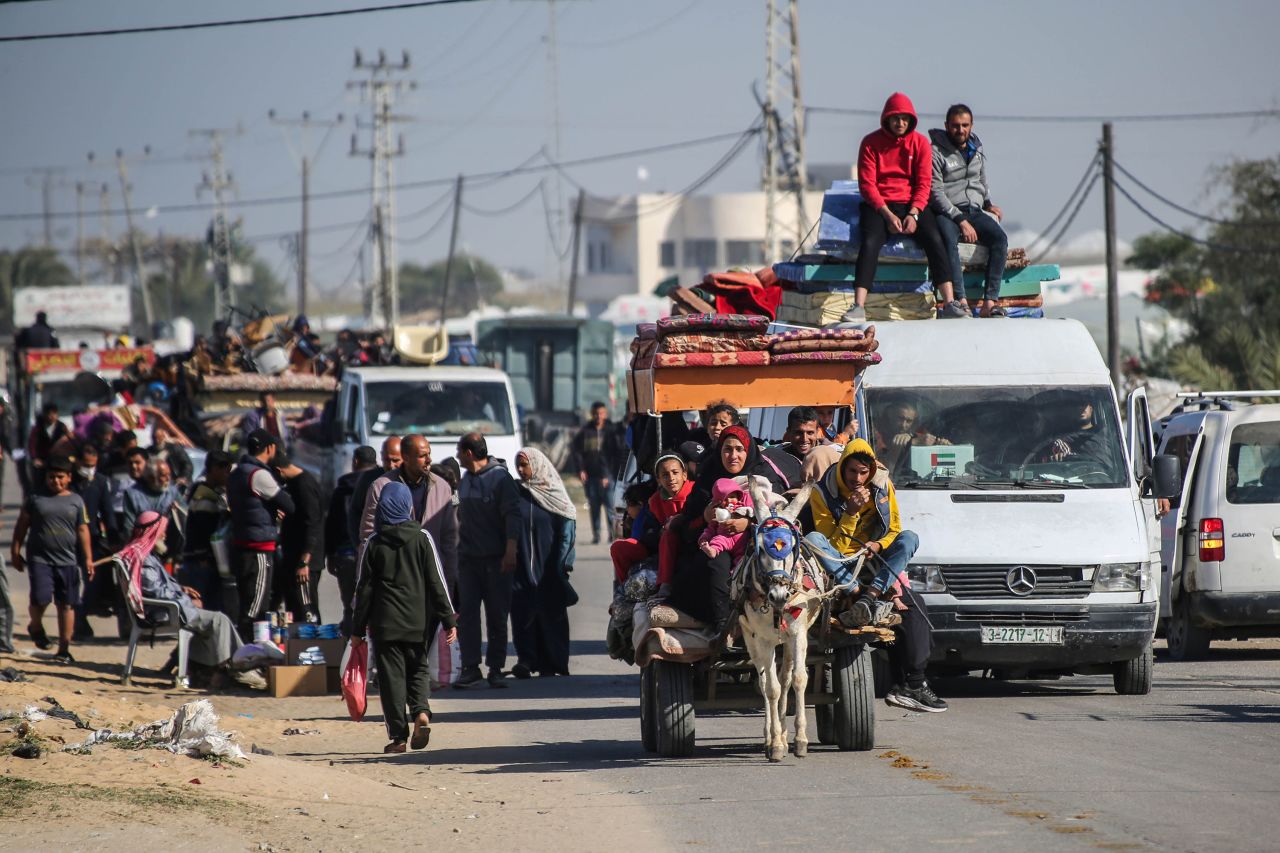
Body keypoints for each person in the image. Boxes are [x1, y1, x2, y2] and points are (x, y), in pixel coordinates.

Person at [803, 439, 945, 713]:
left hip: (876, 567)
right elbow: (832, 548)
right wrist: (851, 514)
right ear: (843, 468)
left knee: (910, 544)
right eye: (852, 472)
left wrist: (878, 545)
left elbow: (894, 529)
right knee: (813, 538)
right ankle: (858, 594)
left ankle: (912, 683)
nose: (858, 479)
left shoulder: (882, 485)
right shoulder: (823, 492)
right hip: (840, 570)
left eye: (863, 472)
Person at [351, 482, 457, 754]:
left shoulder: (374, 544)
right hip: (417, 621)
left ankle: (398, 738)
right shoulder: (422, 538)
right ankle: (421, 712)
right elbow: (437, 582)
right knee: (419, 668)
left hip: (384, 625)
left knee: (390, 679)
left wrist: (357, 629)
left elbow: (364, 589)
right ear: (408, 506)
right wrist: (448, 620)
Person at [850, 92, 968, 321]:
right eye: (895, 118)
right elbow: (867, 185)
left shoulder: (921, 143)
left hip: (912, 204)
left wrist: (914, 214)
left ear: (911, 120)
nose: (900, 123)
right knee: (870, 241)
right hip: (880, 205)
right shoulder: (870, 143)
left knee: (935, 238)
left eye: (905, 118)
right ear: (886, 119)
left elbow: (924, 184)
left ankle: (949, 302)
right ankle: (858, 306)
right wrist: (886, 215)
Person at [665, 426, 789, 633]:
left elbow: (780, 520)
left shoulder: (764, 477)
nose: (733, 455)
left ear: (748, 450)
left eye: (739, 449)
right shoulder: (707, 480)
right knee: (717, 562)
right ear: (719, 451)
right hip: (715, 546)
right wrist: (705, 518)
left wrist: (749, 525)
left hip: (758, 546)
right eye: (727, 449)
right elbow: (686, 531)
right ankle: (725, 624)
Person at [125, 511, 266, 690]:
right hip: (164, 612)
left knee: (211, 620)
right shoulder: (143, 559)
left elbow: (156, 587)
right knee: (218, 620)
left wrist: (182, 590)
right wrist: (186, 600)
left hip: (167, 608)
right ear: (152, 531)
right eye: (162, 531)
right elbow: (156, 592)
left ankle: (210, 670)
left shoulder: (143, 554)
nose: (164, 535)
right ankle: (237, 667)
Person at [454, 432, 521, 689]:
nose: (457, 456)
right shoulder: (465, 480)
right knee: (468, 615)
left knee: (496, 615)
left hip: (497, 560)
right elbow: (455, 508)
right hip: (469, 561)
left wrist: (510, 550)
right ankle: (471, 668)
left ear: (469, 453)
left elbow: (512, 515)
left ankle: (495, 668)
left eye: (460, 451)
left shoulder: (500, 479)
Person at [358, 435, 458, 604]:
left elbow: (449, 540)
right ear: (406, 457)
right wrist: (363, 591)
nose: (429, 460)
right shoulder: (381, 486)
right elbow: (368, 539)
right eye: (422, 456)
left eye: (429, 454)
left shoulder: (441, 487)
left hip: (431, 581)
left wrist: (447, 587)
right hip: (393, 583)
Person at [9, 457, 92, 663]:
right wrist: (15, 550)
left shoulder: (76, 501)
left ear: (69, 478)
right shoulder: (35, 498)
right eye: (51, 477)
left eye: (60, 477)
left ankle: (64, 649)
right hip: (40, 559)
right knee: (40, 598)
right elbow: (22, 526)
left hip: (68, 560)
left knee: (67, 604)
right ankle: (35, 625)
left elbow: (83, 530)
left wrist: (88, 558)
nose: (55, 481)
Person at [930, 104, 1009, 318]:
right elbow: (935, 192)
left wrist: (987, 202)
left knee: (1000, 239)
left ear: (971, 125)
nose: (960, 130)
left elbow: (980, 179)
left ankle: (989, 302)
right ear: (947, 126)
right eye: (955, 126)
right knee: (948, 240)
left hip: (975, 209)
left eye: (965, 125)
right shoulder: (935, 152)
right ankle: (960, 300)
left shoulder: (977, 147)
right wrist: (960, 220)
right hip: (948, 211)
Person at [509, 447, 578, 679]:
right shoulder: (516, 493)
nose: (520, 470)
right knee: (522, 612)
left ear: (537, 465)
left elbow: (568, 529)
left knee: (551, 613)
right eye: (517, 465)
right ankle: (526, 660)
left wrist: (563, 564)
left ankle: (554, 662)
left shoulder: (554, 494)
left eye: (524, 465)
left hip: (549, 565)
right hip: (520, 565)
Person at [227, 430, 295, 637]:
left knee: (247, 601)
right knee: (256, 606)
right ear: (270, 448)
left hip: (240, 544)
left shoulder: (237, 472)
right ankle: (244, 654)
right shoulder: (259, 475)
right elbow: (288, 505)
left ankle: (242, 651)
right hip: (259, 549)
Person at [326, 445, 377, 635]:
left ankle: (350, 653)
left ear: (355, 462)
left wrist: (330, 554)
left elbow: (331, 524)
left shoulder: (342, 489)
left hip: (346, 555)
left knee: (350, 607)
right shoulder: (382, 484)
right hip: (374, 555)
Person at [71, 442, 118, 641]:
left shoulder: (99, 481)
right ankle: (77, 622)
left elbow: (107, 511)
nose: (90, 469)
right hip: (69, 539)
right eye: (86, 464)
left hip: (93, 539)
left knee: (92, 581)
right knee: (71, 581)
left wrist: (114, 538)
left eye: (93, 465)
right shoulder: (68, 480)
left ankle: (81, 614)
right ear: (78, 462)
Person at [272, 450, 324, 623]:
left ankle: (314, 649)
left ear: (279, 471)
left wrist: (304, 561)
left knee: (306, 614)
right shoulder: (294, 485)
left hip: (304, 564)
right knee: (294, 613)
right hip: (294, 560)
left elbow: (312, 524)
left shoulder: (304, 485)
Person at [180, 450, 234, 615]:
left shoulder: (211, 491)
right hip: (201, 561)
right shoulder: (204, 494)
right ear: (214, 469)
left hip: (207, 560)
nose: (228, 475)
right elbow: (201, 532)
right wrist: (203, 556)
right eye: (226, 470)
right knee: (205, 606)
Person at [571, 402, 623, 544]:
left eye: (601, 413)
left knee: (610, 509)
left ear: (605, 414)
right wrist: (580, 469)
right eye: (595, 414)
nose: (598, 416)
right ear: (592, 414)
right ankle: (597, 535)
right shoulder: (585, 431)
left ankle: (612, 535)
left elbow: (615, 455)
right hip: (591, 476)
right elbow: (576, 451)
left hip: (608, 477)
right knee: (594, 507)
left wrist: (608, 475)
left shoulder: (611, 431)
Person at [347, 436, 402, 550]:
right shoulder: (369, 479)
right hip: (375, 548)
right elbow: (355, 511)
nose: (391, 465)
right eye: (387, 460)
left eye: (396, 460)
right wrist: (359, 544)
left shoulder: (412, 479)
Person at [873, 400, 951, 475]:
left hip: (918, 484)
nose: (903, 425)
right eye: (900, 418)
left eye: (909, 421)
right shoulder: (875, 435)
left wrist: (945, 447)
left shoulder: (920, 437)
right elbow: (876, 466)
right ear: (891, 416)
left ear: (913, 422)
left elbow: (946, 468)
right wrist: (910, 443)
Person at [762, 406, 823, 491]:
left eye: (810, 433)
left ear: (817, 432)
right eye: (799, 433)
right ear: (789, 432)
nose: (804, 439)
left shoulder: (826, 457)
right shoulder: (774, 457)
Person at [121, 457, 182, 540]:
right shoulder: (132, 494)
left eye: (169, 475)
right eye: (164, 475)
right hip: (141, 545)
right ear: (150, 478)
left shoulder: (173, 492)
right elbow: (129, 526)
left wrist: (178, 511)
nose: (168, 479)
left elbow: (185, 520)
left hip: (169, 545)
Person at [698, 479, 754, 559]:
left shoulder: (743, 506)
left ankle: (735, 570)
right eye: (724, 499)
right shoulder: (718, 513)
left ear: (738, 497)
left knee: (742, 557)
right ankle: (712, 550)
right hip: (726, 538)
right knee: (717, 540)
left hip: (742, 539)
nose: (729, 501)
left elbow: (754, 512)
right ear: (718, 502)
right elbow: (710, 528)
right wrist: (704, 538)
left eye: (732, 497)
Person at [27, 403, 71, 490]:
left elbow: (68, 443)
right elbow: (32, 444)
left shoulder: (62, 427)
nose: (51, 416)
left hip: (57, 461)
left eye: (53, 414)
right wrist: (34, 458)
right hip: (42, 461)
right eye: (49, 414)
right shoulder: (38, 427)